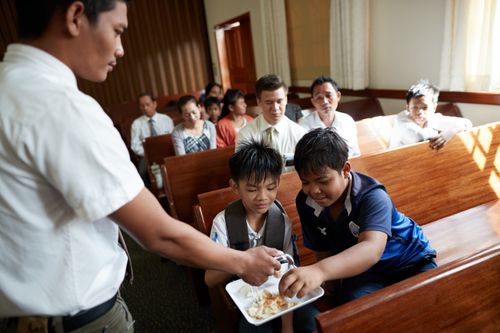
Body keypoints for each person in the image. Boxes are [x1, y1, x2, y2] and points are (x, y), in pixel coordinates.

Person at [0, 1, 283, 331]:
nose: (120, 49)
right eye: (117, 30)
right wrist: (242, 260)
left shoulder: (10, 87)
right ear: (76, 16)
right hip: (76, 319)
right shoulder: (61, 107)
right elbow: (158, 234)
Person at [278, 128, 437, 305]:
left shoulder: (372, 196)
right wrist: (329, 284)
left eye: (323, 181)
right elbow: (321, 247)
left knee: (430, 300)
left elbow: (371, 248)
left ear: (345, 169)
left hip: (409, 261)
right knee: (353, 307)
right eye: (305, 182)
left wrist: (320, 271)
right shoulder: (306, 202)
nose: (314, 190)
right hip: (364, 271)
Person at [205, 140, 318, 333]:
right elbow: (210, 278)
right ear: (234, 186)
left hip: (281, 291)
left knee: (311, 320)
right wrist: (244, 259)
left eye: (270, 187)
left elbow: (287, 273)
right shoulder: (222, 223)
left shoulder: (282, 222)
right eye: (252, 189)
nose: (262, 197)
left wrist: (287, 326)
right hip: (246, 296)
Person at [236, 74, 307, 167]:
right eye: (269, 102)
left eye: (279, 101)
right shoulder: (246, 135)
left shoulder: (299, 134)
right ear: (259, 102)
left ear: (286, 100)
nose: (275, 108)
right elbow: (243, 171)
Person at [389, 80, 472, 149]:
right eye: (415, 107)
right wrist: (444, 133)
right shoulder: (401, 120)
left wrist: (448, 133)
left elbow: (467, 123)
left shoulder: (431, 118)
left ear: (434, 108)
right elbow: (420, 139)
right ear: (407, 108)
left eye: (425, 107)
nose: (419, 112)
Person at [299, 76, 360, 157]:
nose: (325, 101)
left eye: (328, 95)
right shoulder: (304, 125)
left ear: (338, 96)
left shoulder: (347, 120)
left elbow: (355, 153)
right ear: (313, 102)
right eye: (319, 97)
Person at [130, 92, 174, 183]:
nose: (145, 108)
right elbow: (134, 145)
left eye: (147, 104)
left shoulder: (166, 119)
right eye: (142, 106)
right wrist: (147, 153)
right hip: (146, 156)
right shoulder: (136, 124)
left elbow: (173, 138)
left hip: (167, 152)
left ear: (154, 104)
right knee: (142, 172)